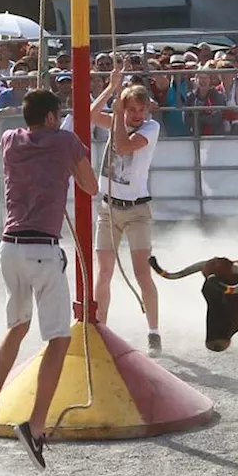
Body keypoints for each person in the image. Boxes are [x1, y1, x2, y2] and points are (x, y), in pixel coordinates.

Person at [0, 89, 98, 471]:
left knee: (17, 326)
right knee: (59, 338)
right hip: (42, 248)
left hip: (8, 247)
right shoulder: (65, 141)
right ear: (48, 117)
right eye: (58, 114)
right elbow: (90, 186)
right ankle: (37, 424)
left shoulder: (9, 140)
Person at [89, 65, 164, 355]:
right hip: (109, 208)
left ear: (147, 111)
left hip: (136, 211)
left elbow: (122, 145)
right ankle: (100, 328)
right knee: (104, 271)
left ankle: (154, 331)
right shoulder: (119, 119)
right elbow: (91, 116)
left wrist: (118, 113)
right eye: (131, 108)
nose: (136, 114)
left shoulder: (150, 129)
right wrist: (110, 89)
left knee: (141, 273)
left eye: (140, 109)